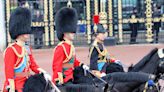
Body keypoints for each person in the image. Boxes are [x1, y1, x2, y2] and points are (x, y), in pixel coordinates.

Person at [3, 7, 50, 92]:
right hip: (16, 85)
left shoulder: (27, 47)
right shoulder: (11, 50)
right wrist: (12, 87)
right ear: (19, 30)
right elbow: (9, 72)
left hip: (27, 82)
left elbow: (33, 65)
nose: (28, 32)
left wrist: (43, 72)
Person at [52, 7, 89, 85]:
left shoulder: (71, 46)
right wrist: (57, 81)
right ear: (64, 32)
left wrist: (82, 65)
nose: (73, 33)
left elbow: (73, 61)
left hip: (72, 76)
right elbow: (57, 66)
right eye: (71, 32)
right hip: (65, 79)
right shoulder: (61, 48)